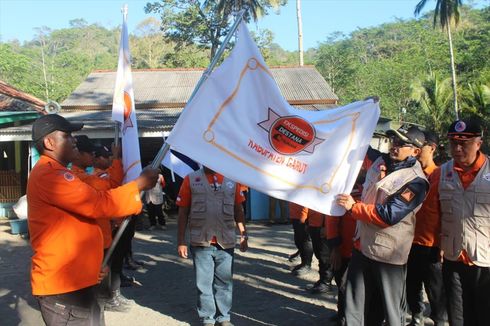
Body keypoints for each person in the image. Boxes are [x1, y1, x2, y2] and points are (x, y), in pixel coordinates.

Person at [27, 114, 158, 325]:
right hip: (64, 287)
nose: (74, 140)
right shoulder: (50, 175)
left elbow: (75, 227)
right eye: (67, 135)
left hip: (74, 280)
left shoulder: (56, 172)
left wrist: (90, 265)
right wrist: (138, 185)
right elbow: (97, 204)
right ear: (49, 143)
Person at [336, 126, 429, 326]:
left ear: (415, 151)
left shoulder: (417, 182)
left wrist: (354, 207)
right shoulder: (381, 161)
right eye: (393, 141)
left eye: (401, 143)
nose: (394, 146)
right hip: (362, 247)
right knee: (354, 306)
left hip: (389, 255)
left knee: (391, 311)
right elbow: (361, 146)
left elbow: (389, 215)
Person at [423, 118, 490, 326]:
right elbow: (432, 213)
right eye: (453, 143)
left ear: (478, 143)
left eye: (464, 143)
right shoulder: (441, 173)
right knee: (457, 318)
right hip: (453, 259)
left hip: (485, 262)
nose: (458, 149)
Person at [176, 166, 248, 326]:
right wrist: (181, 241)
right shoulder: (191, 179)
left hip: (226, 242)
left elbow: (238, 210)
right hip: (201, 242)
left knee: (225, 283)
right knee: (203, 283)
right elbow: (182, 213)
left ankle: (224, 317)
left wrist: (243, 234)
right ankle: (207, 318)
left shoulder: (232, 180)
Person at [406, 131, 447, 326]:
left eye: (419, 146)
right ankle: (416, 315)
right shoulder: (409, 172)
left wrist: (444, 244)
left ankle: (439, 319)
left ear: (431, 148)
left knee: (435, 287)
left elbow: (447, 212)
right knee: (411, 284)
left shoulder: (440, 176)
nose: (415, 150)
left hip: (431, 243)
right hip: (407, 240)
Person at [306, 208, 334, 293]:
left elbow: (328, 207)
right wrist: (307, 222)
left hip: (323, 225)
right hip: (313, 223)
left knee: (324, 256)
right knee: (318, 254)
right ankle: (322, 279)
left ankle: (326, 282)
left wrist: (326, 226)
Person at [289, 202, 313, 275]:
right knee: (298, 240)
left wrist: (303, 217)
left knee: (305, 241)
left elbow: (305, 200)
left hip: (303, 216)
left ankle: (307, 265)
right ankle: (303, 263)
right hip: (295, 214)